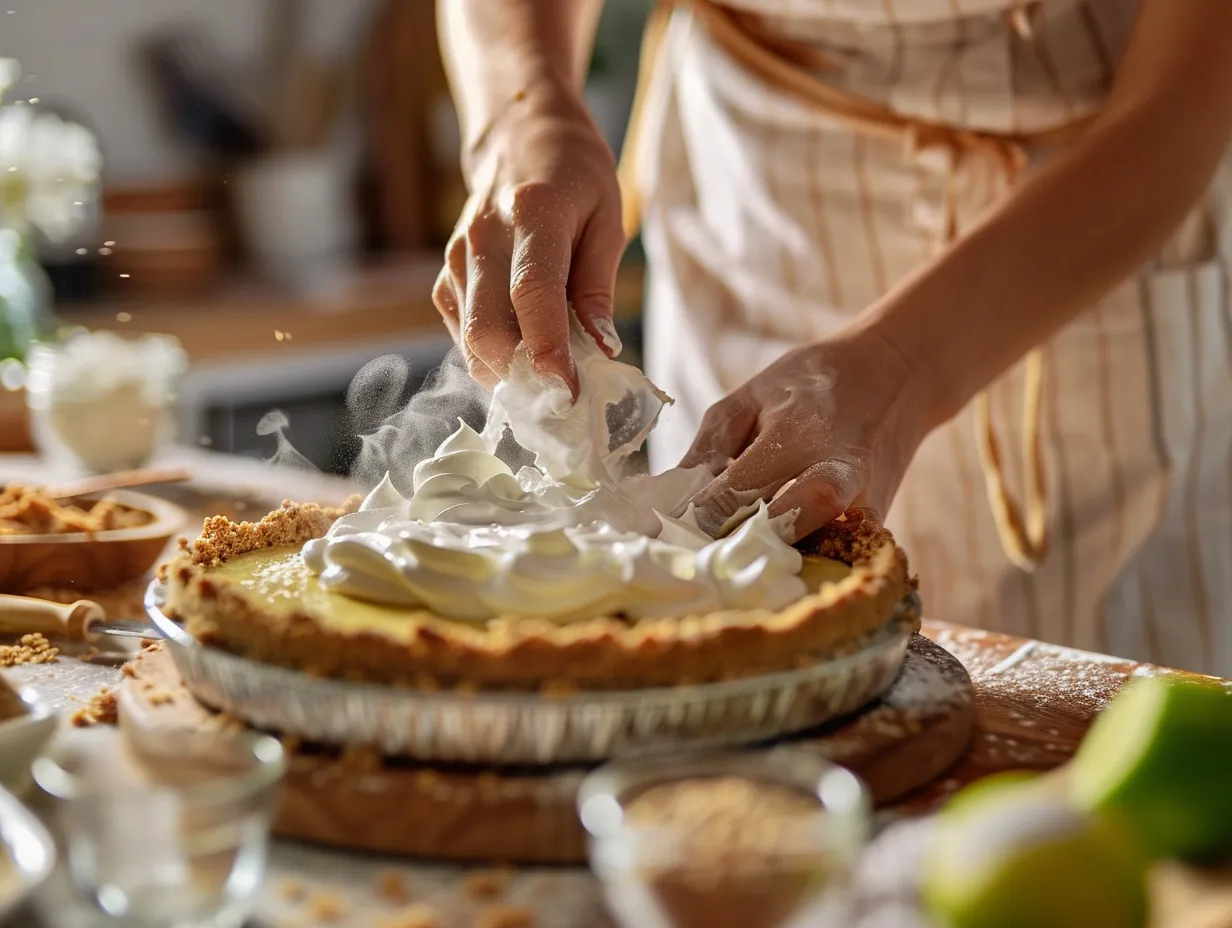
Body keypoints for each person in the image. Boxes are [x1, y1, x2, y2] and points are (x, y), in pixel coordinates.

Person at [432, 0, 1232, 675]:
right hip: (754, 191)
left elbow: (1185, 93)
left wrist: (907, 362)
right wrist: (525, 115)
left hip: (1092, 211)